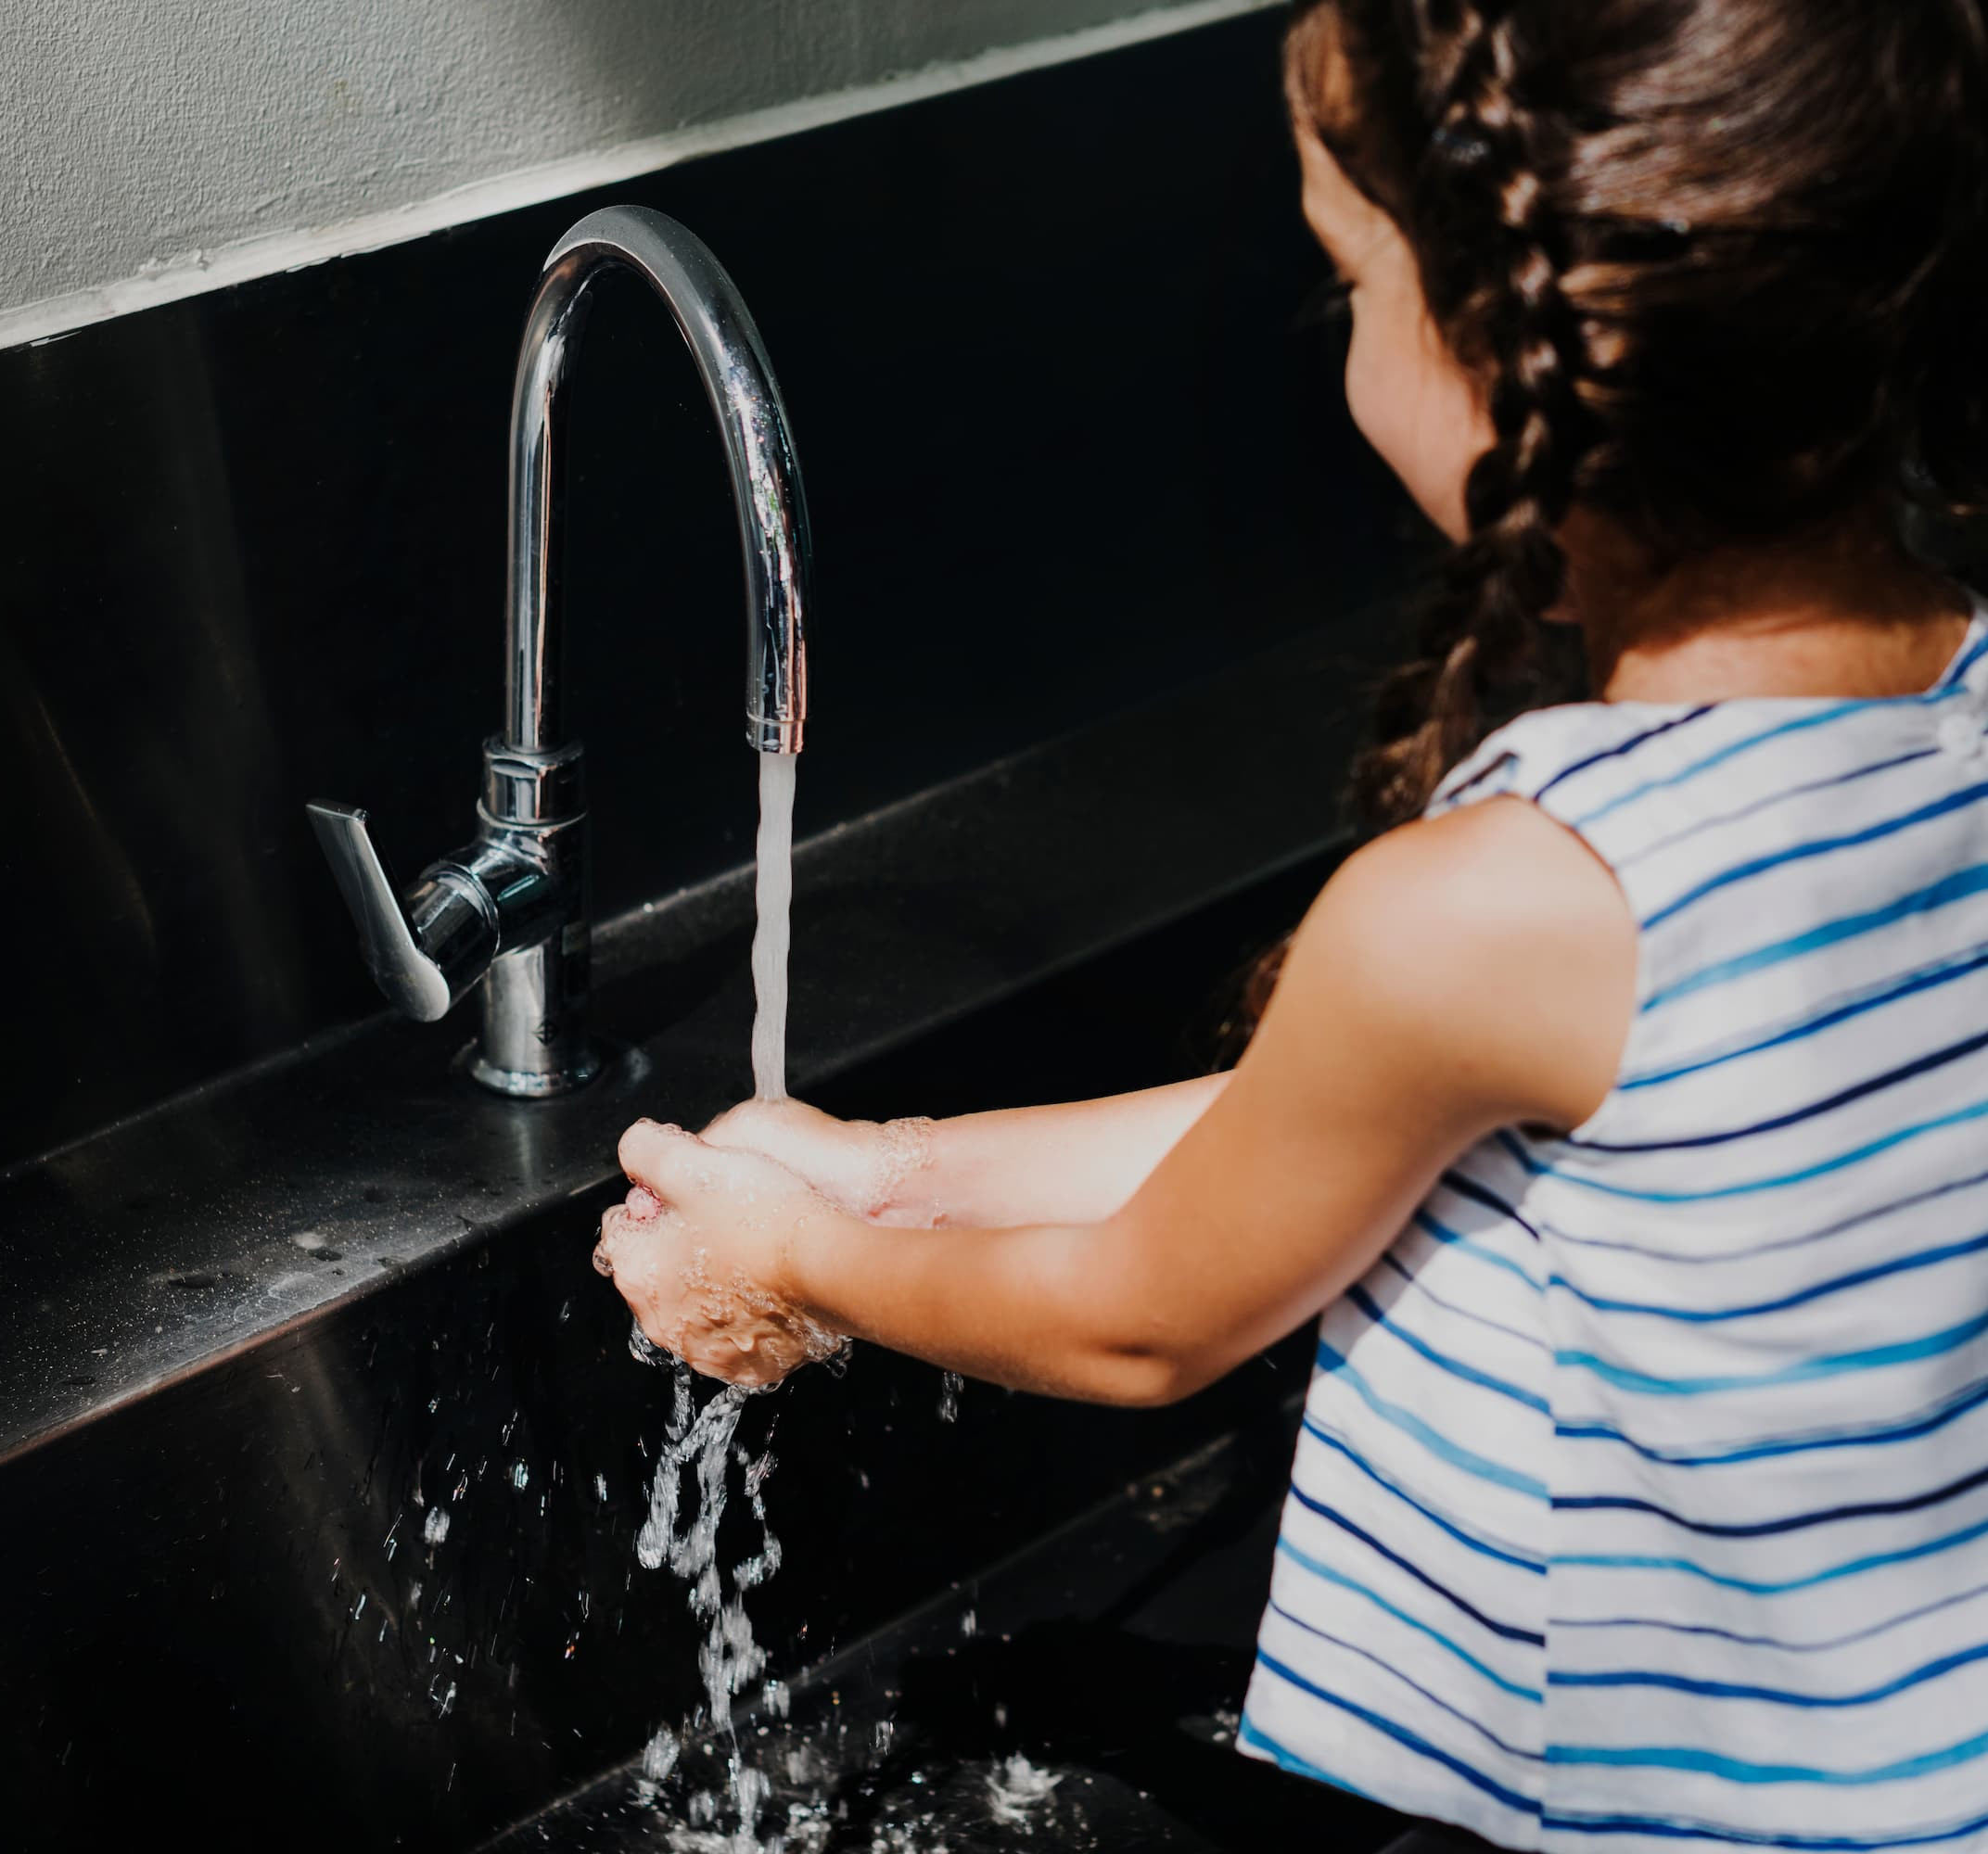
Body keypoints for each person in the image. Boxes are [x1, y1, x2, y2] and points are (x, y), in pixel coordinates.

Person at [592, 0, 1988, 1845]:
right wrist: (890, 1171)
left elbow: (1138, 1324)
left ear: (1509, 344)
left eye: (1350, 283)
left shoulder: (1506, 900)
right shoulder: (1947, 710)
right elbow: (1339, 1135)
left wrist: (795, 1266)